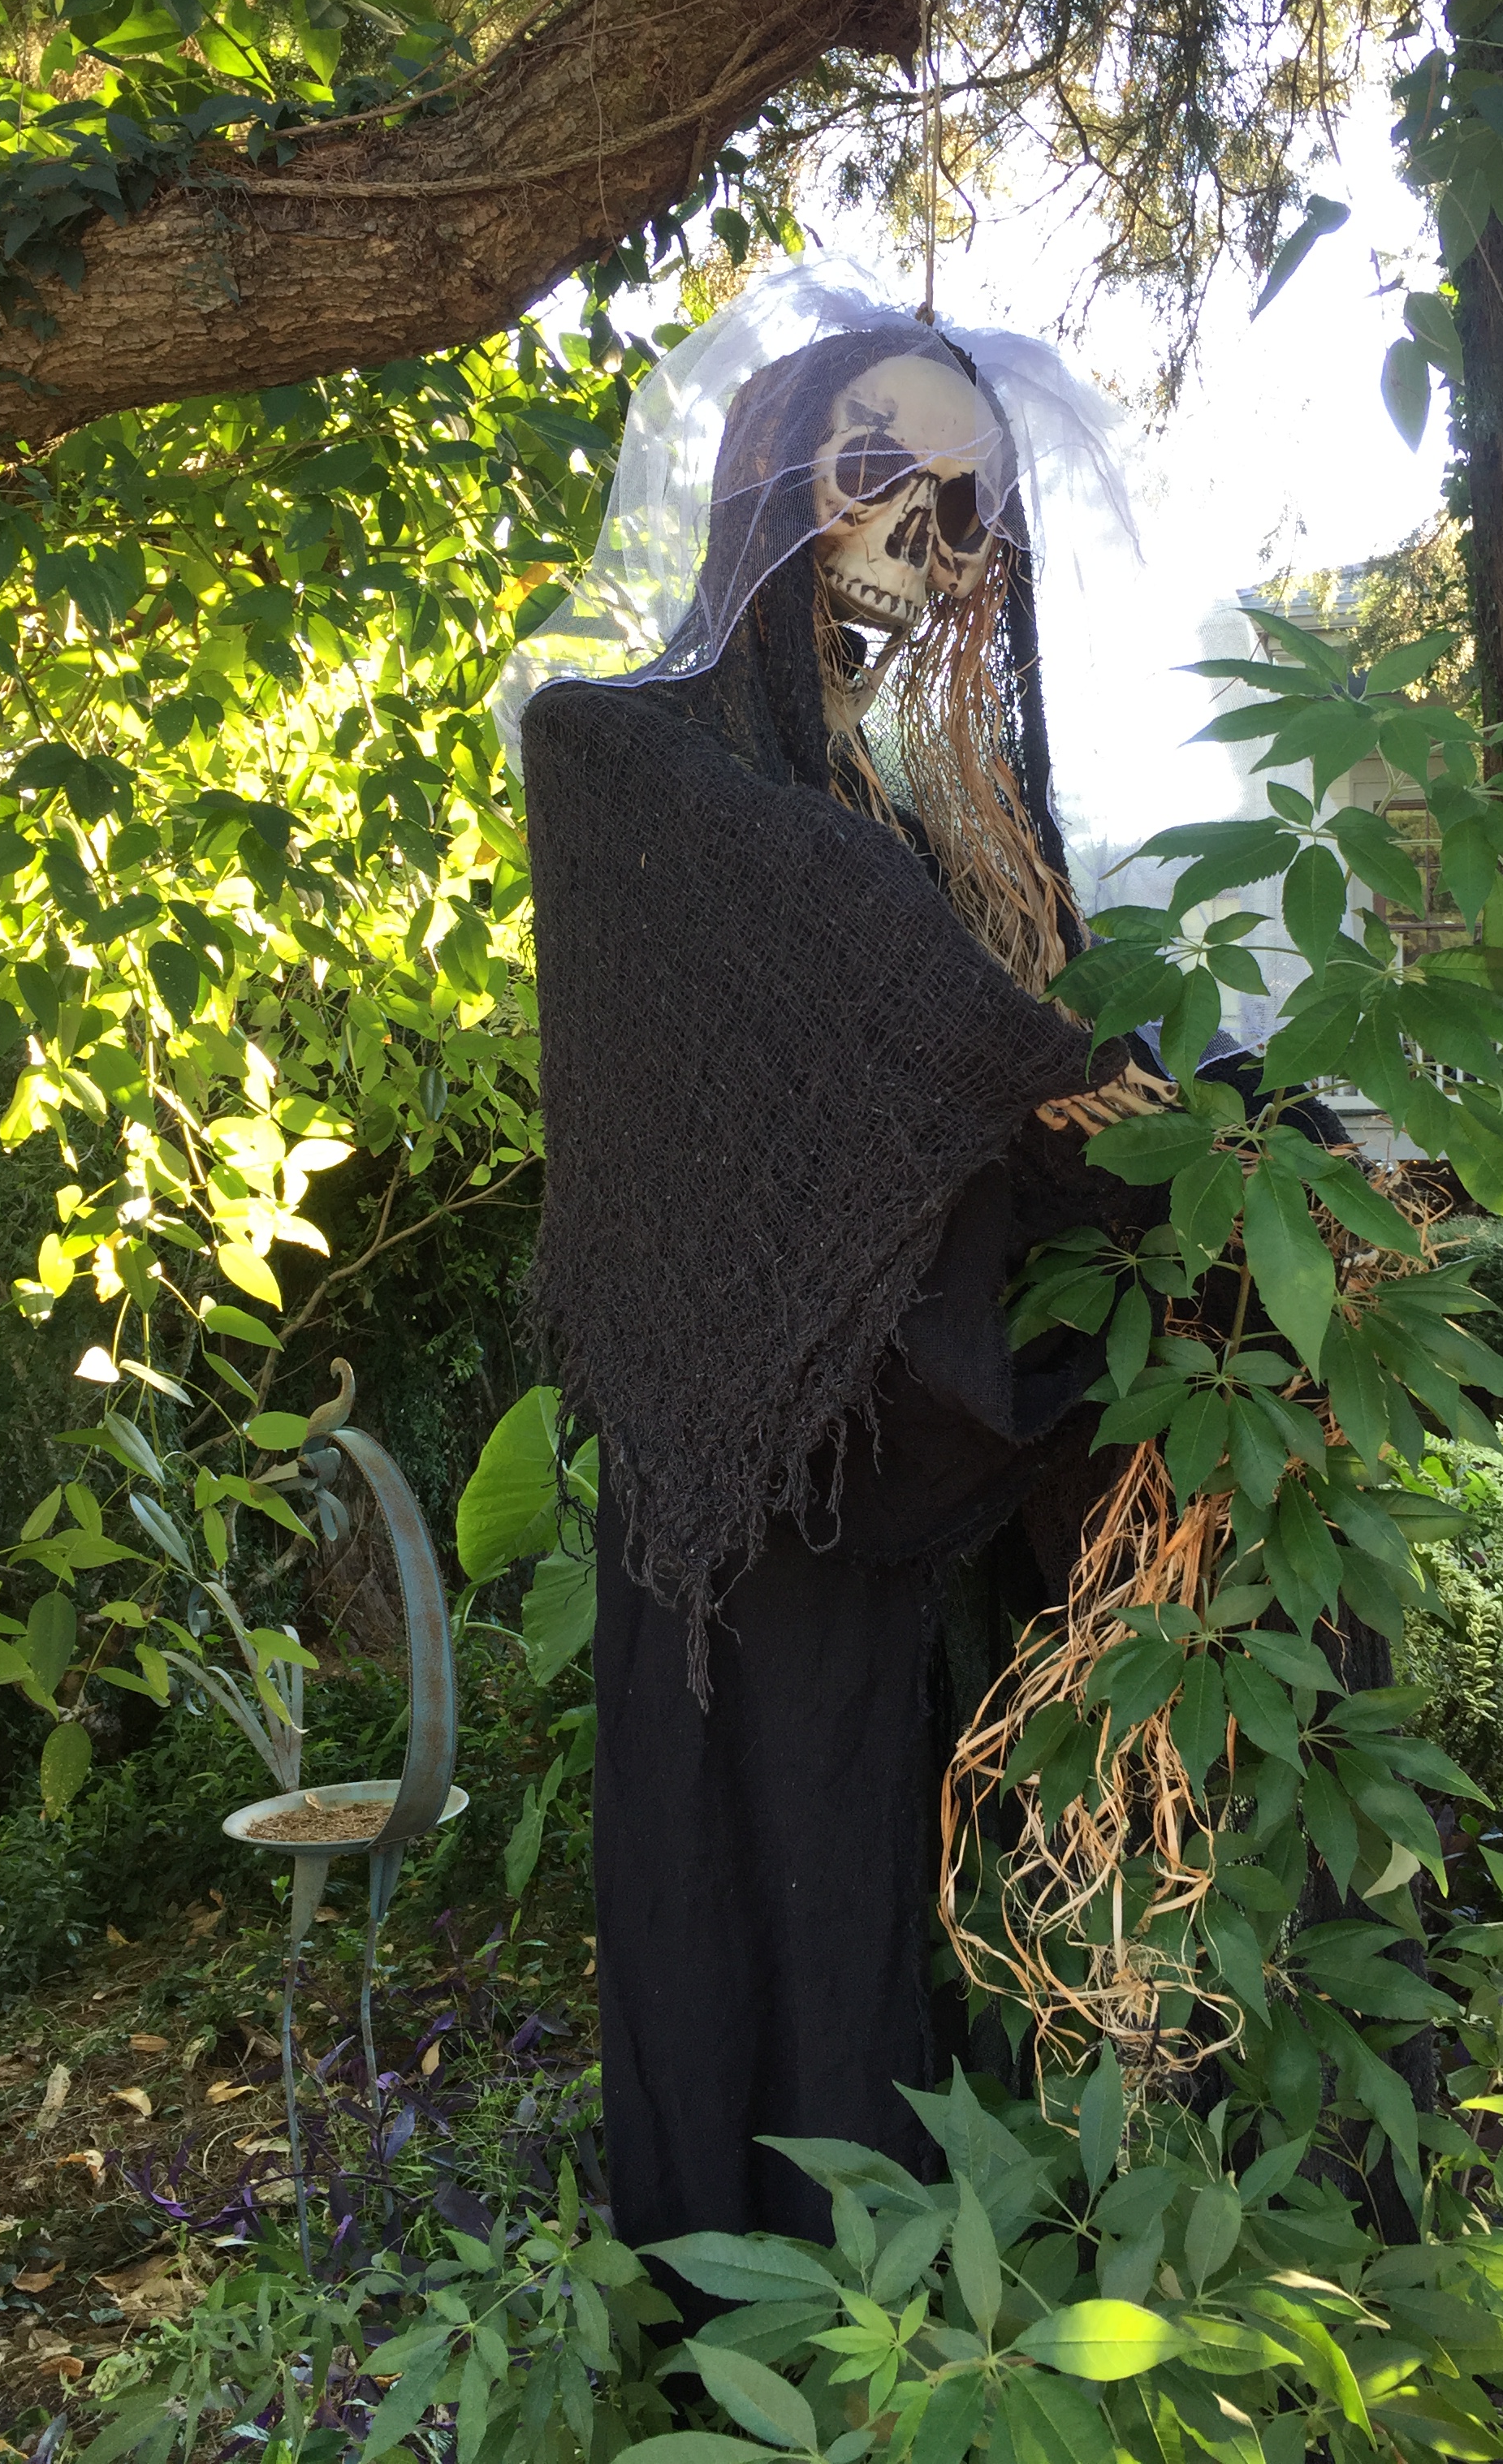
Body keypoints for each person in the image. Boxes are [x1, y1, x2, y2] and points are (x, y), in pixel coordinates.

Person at [495, 260, 1171, 2247]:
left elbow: (986, 1061)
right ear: (773, 468)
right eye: (880, 472)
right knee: (750, 1879)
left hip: (896, 1442)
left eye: (967, 508)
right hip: (736, 1459)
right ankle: (755, 2327)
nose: (922, 539)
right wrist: (1031, 1061)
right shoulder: (618, 755)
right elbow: (848, 972)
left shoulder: (921, 812)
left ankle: (934, 2294)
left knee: (888, 1868)